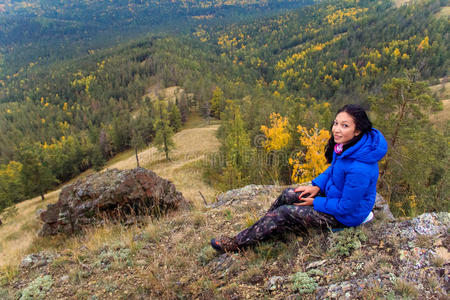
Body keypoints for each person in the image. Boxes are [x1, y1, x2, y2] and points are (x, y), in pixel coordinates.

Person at [211, 104, 388, 252]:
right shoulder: (349, 146)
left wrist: (315, 203)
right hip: (334, 198)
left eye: (345, 126)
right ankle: (264, 227)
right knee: (289, 194)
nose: (336, 129)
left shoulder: (360, 168)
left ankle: (237, 244)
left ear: (357, 131)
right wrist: (317, 186)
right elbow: (333, 170)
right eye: (336, 123)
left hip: (346, 216)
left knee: (285, 212)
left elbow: (346, 207)